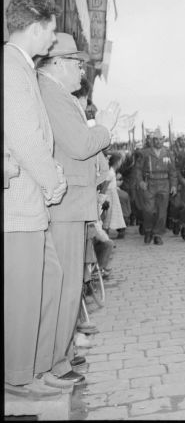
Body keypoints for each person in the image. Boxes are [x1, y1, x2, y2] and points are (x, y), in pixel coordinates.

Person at [37, 32, 117, 385]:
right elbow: (80, 144)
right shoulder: (52, 95)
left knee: (69, 284)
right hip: (65, 205)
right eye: (76, 63)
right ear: (57, 63)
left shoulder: (58, 95)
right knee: (65, 286)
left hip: (71, 202)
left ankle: (62, 355)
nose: (82, 71)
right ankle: (54, 364)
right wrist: (107, 128)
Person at [3, 0, 70, 397]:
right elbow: (25, 138)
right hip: (20, 203)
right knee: (25, 293)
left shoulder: (21, 67)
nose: (52, 39)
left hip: (31, 204)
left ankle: (38, 366)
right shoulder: (11, 68)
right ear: (33, 27)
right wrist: (53, 180)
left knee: (49, 279)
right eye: (50, 30)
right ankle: (18, 378)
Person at [135, 128, 177, 245]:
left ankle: (158, 234)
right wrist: (140, 182)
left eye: (160, 139)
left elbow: (173, 171)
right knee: (149, 210)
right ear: (152, 141)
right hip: (149, 184)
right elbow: (137, 170)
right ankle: (148, 230)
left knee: (162, 212)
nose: (158, 141)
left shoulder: (168, 153)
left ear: (164, 140)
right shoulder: (144, 153)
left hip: (164, 183)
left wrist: (173, 185)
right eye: (156, 140)